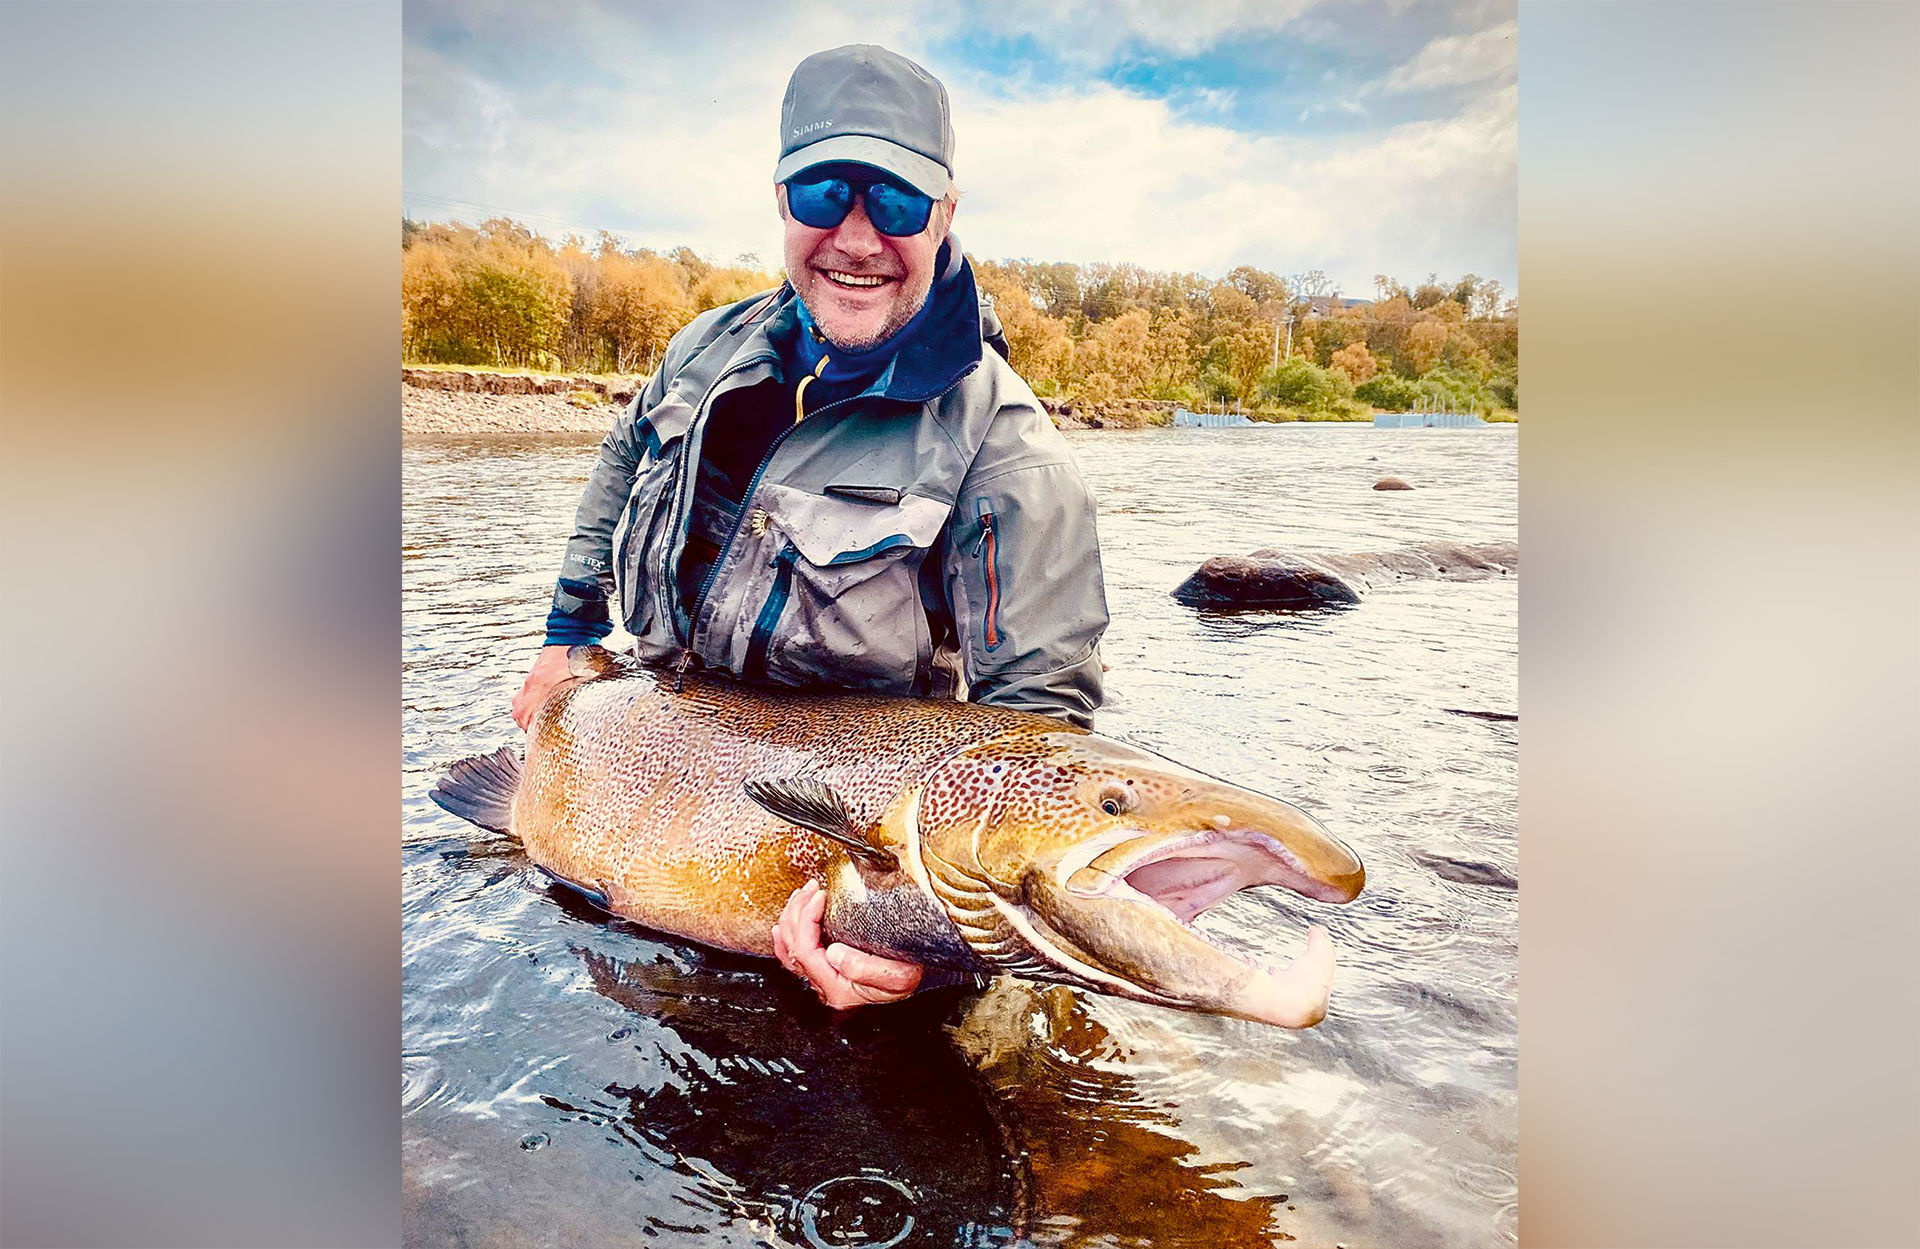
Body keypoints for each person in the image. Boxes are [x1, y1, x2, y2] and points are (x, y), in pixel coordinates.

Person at [513, 44, 1108, 1009]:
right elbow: (619, 467)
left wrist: (932, 948)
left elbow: (1037, 746)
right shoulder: (703, 350)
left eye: (900, 205)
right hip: (650, 767)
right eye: (827, 193)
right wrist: (567, 636)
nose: (859, 238)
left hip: (835, 858)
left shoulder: (1007, 451)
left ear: (947, 212)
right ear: (783, 201)